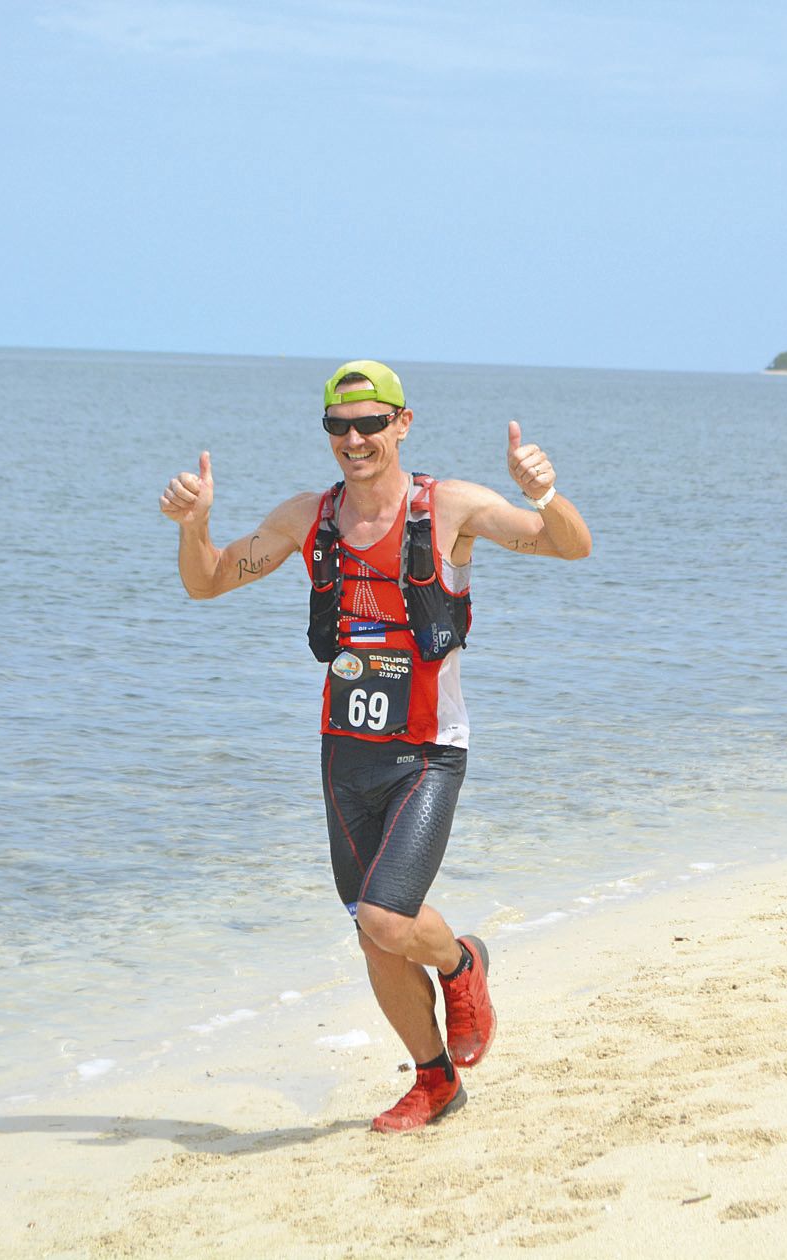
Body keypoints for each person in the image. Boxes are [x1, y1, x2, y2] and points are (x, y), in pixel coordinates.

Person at [158, 360, 591, 1132]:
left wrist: (544, 493)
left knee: (389, 920)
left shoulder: (447, 507)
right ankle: (436, 1082)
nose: (353, 440)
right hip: (343, 753)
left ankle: (463, 961)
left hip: (428, 751)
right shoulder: (308, 518)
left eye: (369, 424)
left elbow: (569, 547)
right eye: (337, 427)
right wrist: (195, 526)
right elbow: (208, 582)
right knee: (371, 932)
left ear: (402, 423)